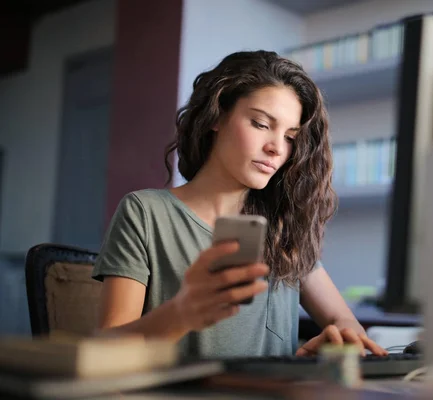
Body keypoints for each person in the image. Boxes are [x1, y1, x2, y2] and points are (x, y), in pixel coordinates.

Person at [92, 50, 388, 359]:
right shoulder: (146, 213)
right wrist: (180, 313)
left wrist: (337, 341)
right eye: (261, 124)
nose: (276, 148)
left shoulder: (283, 227)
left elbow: (344, 322)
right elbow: (107, 351)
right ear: (216, 116)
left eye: (289, 136)